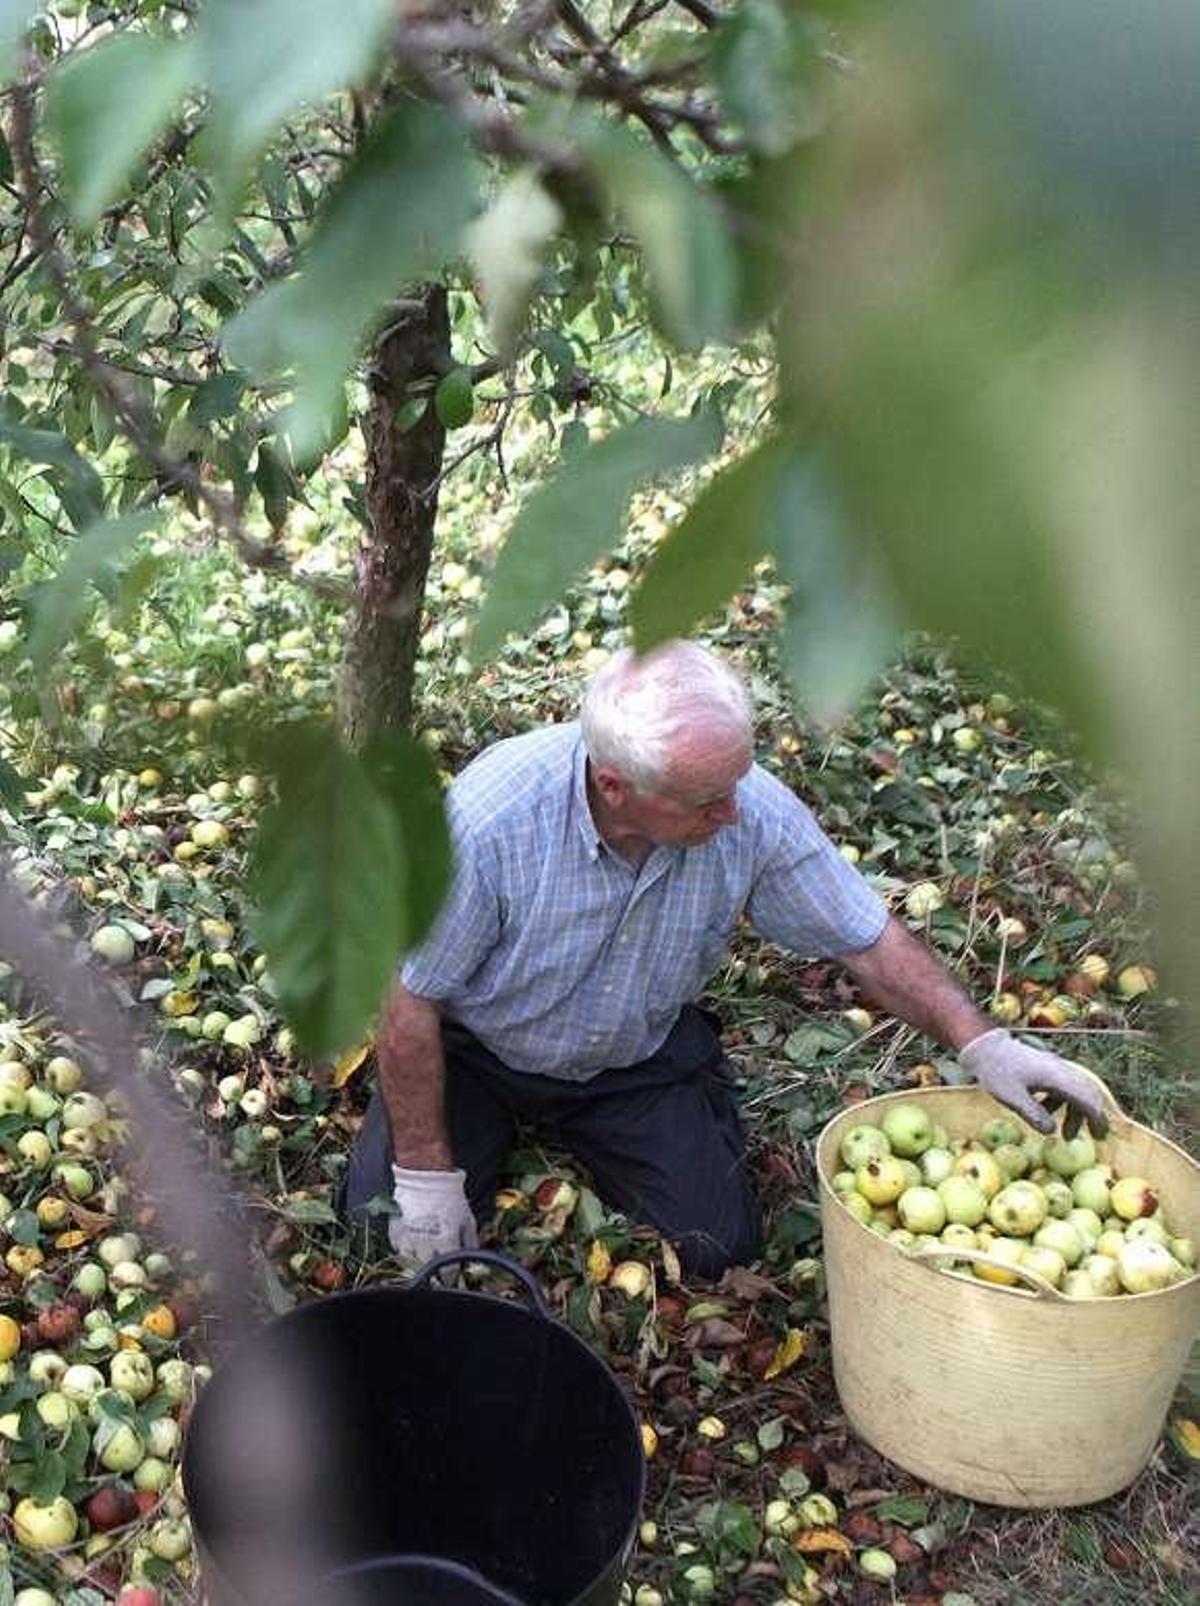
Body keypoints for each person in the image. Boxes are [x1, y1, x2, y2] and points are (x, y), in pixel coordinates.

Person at [343, 640, 1107, 1277]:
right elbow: (406, 996)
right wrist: (424, 1176)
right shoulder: (490, 821)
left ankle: (665, 1095)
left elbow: (867, 938)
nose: (734, 811)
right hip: (477, 1047)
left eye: (737, 783)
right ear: (617, 786)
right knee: (381, 1225)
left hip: (624, 1062)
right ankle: (461, 1142)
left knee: (719, 1247)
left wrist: (982, 1043)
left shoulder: (746, 808)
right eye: (707, 800)